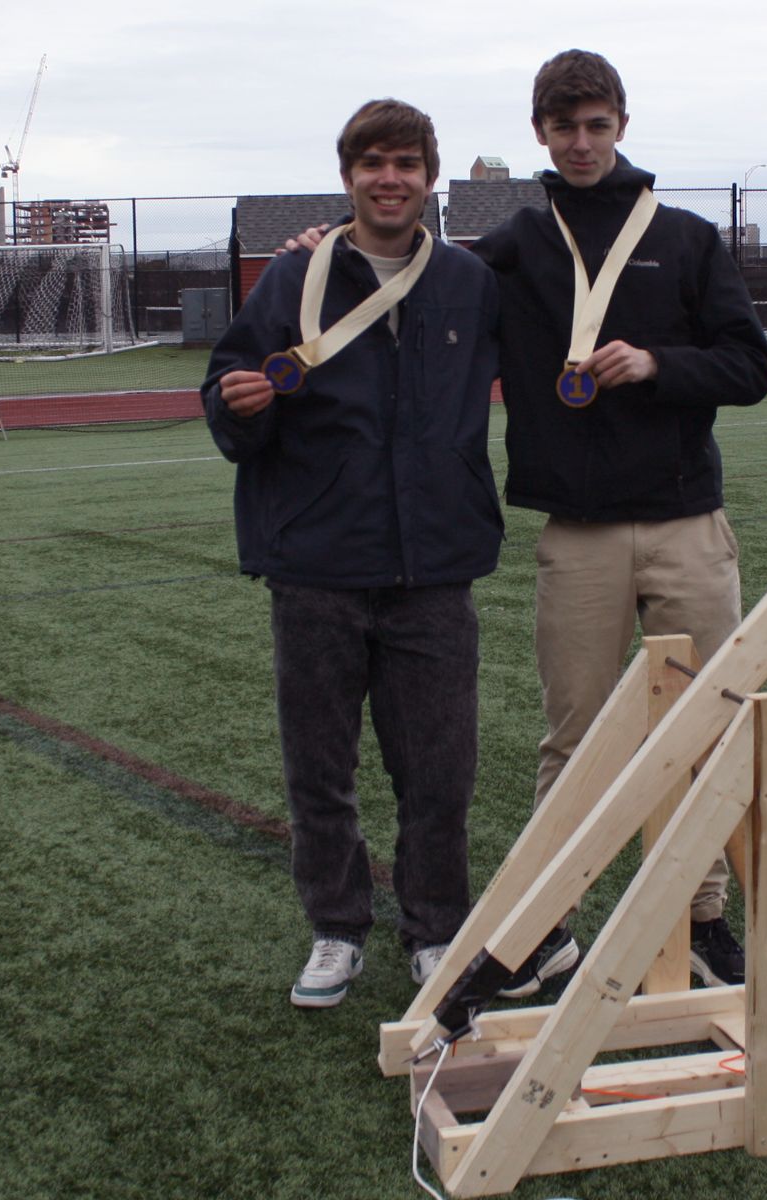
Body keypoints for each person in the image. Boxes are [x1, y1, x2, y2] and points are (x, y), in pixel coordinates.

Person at [472, 50, 767, 995]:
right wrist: (331, 250)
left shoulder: (685, 237)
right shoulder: (517, 242)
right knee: (573, 738)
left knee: (703, 727)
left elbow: (751, 367)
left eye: (596, 125)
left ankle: (701, 919)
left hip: (688, 523)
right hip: (581, 533)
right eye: (563, 128)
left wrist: (657, 365)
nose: (581, 143)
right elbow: (415, 289)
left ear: (622, 124)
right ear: (539, 134)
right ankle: (545, 928)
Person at [201, 99, 503, 1009]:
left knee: (439, 773)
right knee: (319, 770)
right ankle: (335, 931)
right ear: (348, 177)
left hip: (433, 570)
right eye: (372, 162)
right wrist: (236, 405)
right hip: (317, 568)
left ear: (431, 177)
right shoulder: (292, 276)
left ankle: (435, 930)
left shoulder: (468, 282)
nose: (390, 178)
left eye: (406, 163)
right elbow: (225, 387)